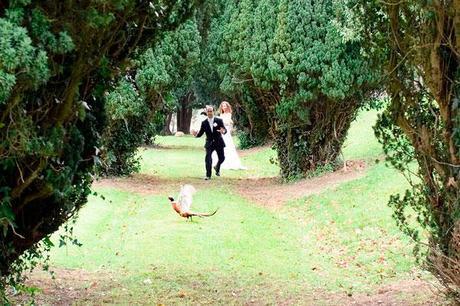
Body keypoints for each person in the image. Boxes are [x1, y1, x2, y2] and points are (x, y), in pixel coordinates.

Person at [192, 105, 227, 180]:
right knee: (208, 158)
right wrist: (196, 135)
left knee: (222, 158)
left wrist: (223, 131)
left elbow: (224, 130)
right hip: (209, 143)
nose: (210, 113)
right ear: (206, 112)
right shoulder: (204, 123)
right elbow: (200, 133)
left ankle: (217, 167)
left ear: (213, 112)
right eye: (208, 111)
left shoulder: (219, 120)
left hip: (219, 142)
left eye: (211, 111)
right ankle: (208, 175)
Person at [214, 101, 247, 170]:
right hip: (221, 132)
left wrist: (221, 123)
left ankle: (229, 162)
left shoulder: (229, 114)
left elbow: (227, 123)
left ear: (227, 107)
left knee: (228, 146)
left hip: (226, 132)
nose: (224, 107)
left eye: (225, 106)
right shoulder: (221, 115)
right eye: (223, 106)